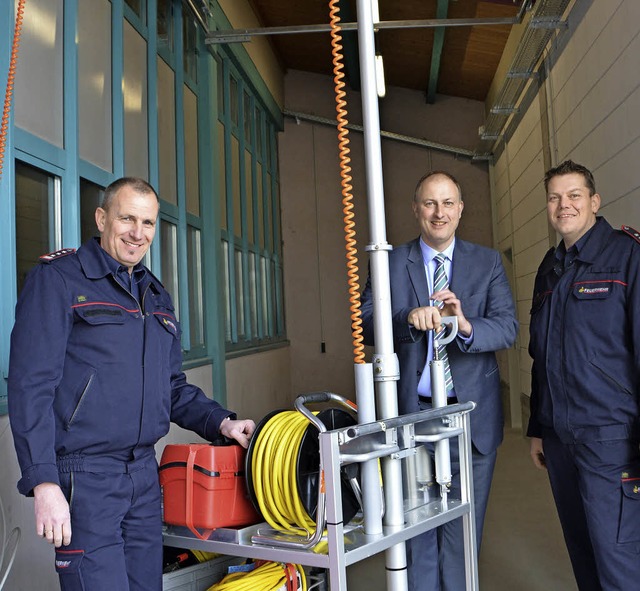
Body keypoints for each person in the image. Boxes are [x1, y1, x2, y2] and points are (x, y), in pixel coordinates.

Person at [8, 177, 255, 591]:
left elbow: (171, 386)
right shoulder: (59, 280)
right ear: (101, 218)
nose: (137, 233)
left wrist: (221, 423)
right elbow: (30, 386)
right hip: (86, 478)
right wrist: (44, 481)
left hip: (144, 475)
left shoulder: (154, 295)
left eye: (148, 222)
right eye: (127, 219)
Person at [361, 171, 518, 591]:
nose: (439, 212)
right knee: (416, 533)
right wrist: (406, 319)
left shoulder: (487, 263)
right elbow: (364, 323)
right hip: (412, 419)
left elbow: (507, 328)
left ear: (461, 209)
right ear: (415, 209)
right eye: (430, 203)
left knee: (464, 531)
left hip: (470, 420)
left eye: (448, 203)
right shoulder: (390, 261)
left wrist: (465, 326)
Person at [527, 160, 640, 590]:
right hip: (559, 439)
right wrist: (539, 428)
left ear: (594, 201)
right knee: (583, 553)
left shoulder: (627, 256)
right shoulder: (549, 267)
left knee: (620, 560)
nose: (564, 205)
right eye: (555, 197)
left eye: (574, 195)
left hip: (612, 438)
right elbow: (542, 356)